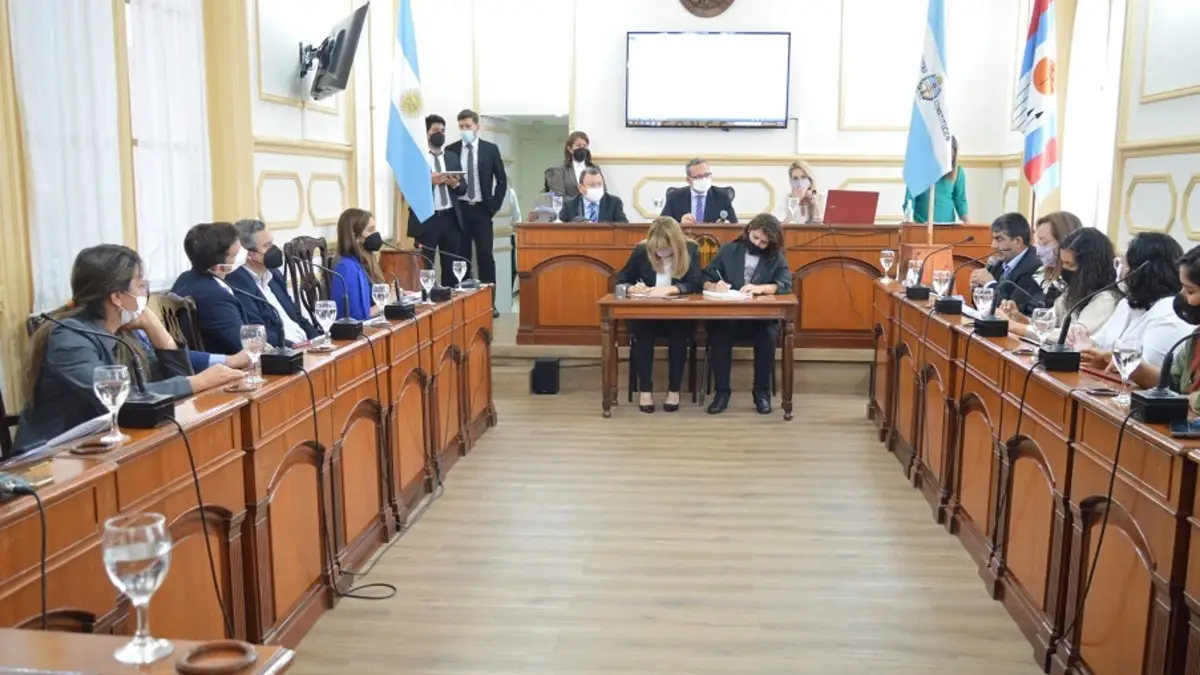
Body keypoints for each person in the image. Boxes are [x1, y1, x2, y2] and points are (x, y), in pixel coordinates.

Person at [11, 245, 245, 456]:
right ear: (117, 297)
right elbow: (120, 398)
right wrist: (198, 382)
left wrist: (155, 328)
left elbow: (177, 383)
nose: (145, 293)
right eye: (141, 285)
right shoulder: (69, 338)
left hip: (100, 446)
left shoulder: (122, 332)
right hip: (49, 457)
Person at [702, 214, 792, 415]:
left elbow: (786, 284)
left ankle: (761, 393)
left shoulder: (775, 257)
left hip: (759, 319)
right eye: (755, 238)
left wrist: (763, 288)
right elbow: (705, 277)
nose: (758, 244)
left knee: (767, 335)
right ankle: (722, 393)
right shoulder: (729, 250)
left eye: (763, 242)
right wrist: (715, 286)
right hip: (728, 317)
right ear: (749, 230)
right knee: (718, 333)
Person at [616, 217, 701, 413]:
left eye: (666, 250)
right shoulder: (641, 250)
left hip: (678, 314)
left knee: (678, 336)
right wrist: (631, 288)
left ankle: (674, 390)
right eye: (657, 251)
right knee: (642, 335)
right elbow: (622, 279)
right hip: (647, 313)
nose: (661, 254)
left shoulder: (691, 250)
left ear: (676, 244)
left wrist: (672, 289)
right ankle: (645, 390)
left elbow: (696, 283)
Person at [1081, 233, 1192, 370]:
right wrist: (1082, 342)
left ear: (1142, 271)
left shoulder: (1169, 311)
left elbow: (1148, 367)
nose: (1120, 271)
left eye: (1125, 264)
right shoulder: (1128, 304)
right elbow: (1098, 344)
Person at [999, 228, 1119, 343]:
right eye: (1063, 263)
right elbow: (1046, 324)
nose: (1064, 269)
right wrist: (1018, 317)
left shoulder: (1106, 299)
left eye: (1070, 264)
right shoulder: (1075, 291)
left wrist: (1013, 326)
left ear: (1090, 268)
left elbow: (1072, 336)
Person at [1119, 245, 1200, 410]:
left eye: (1190, 291)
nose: (1181, 297)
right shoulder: (1195, 338)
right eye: (1182, 287)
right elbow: (1173, 384)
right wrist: (1136, 369)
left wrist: (1194, 400)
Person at [446, 109, 507, 316]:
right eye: (461, 126)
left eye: (468, 126)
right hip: (460, 209)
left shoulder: (490, 149)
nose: (465, 130)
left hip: (482, 209)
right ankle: (464, 303)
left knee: (485, 255)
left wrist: (494, 205)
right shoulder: (451, 150)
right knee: (461, 256)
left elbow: (501, 180)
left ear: (477, 127)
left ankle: (489, 303)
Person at [227, 219, 321, 348]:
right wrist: (294, 347)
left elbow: (296, 315)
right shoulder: (238, 284)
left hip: (306, 346)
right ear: (249, 254)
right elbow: (259, 331)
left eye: (272, 243)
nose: (274, 249)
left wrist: (318, 340)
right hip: (284, 351)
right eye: (267, 245)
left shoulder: (274, 275)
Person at [172, 222, 260, 355]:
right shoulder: (214, 297)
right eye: (235, 255)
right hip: (227, 363)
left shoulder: (184, 279)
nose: (244, 257)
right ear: (219, 266)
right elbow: (244, 346)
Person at [970, 212, 1043, 315]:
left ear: (1017, 241)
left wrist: (990, 284)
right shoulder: (998, 263)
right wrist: (976, 288)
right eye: (993, 239)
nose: (993, 246)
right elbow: (982, 307)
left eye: (999, 239)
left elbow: (1013, 311)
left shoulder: (1034, 267)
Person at [332, 208, 386, 320]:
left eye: (375, 228)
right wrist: (387, 301)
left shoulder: (366, 259)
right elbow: (359, 316)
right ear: (355, 236)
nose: (376, 234)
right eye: (370, 230)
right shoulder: (347, 267)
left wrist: (394, 293)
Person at [903, 136, 968, 223]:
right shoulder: (918, 169)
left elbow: (960, 200)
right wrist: (908, 216)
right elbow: (910, 198)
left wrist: (966, 221)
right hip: (922, 225)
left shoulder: (958, 172)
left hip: (947, 225)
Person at [1028, 211, 1083, 309]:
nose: (1038, 251)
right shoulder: (1040, 274)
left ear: (1064, 241)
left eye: (1044, 243)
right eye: (1038, 242)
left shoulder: (1078, 281)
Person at [661, 159, 738, 224]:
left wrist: (725, 226)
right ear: (688, 180)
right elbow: (661, 228)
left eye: (707, 175)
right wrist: (679, 224)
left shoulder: (722, 197)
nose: (704, 179)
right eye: (699, 176)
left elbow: (735, 228)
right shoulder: (674, 197)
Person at [558, 167, 628, 223]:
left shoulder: (614, 202)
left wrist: (597, 225)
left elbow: (623, 226)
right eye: (592, 185)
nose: (597, 188)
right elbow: (560, 228)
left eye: (599, 184)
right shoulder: (570, 205)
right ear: (580, 188)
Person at [544, 131, 597, 198]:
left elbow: (602, 191)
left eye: (584, 146)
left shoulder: (595, 169)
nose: (582, 148)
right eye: (578, 145)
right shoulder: (559, 172)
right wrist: (582, 202)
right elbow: (559, 197)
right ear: (570, 149)